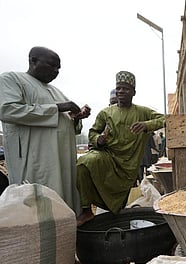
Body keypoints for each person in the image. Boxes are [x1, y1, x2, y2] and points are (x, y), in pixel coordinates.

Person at [0, 46, 91, 215]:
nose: (56, 71)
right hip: (36, 159)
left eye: (58, 68)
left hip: (62, 160)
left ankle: (66, 234)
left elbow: (66, 122)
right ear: (33, 61)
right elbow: (7, 110)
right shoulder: (12, 79)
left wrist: (77, 117)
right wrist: (60, 107)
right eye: (51, 66)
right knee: (39, 207)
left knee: (64, 201)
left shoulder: (56, 90)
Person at [76, 71, 165, 225]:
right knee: (83, 163)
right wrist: (100, 139)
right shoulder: (106, 113)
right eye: (118, 88)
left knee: (121, 200)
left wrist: (146, 125)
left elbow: (165, 119)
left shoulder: (142, 111)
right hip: (109, 157)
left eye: (125, 89)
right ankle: (86, 210)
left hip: (130, 163)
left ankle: (120, 220)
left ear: (133, 92)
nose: (121, 91)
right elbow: (93, 133)